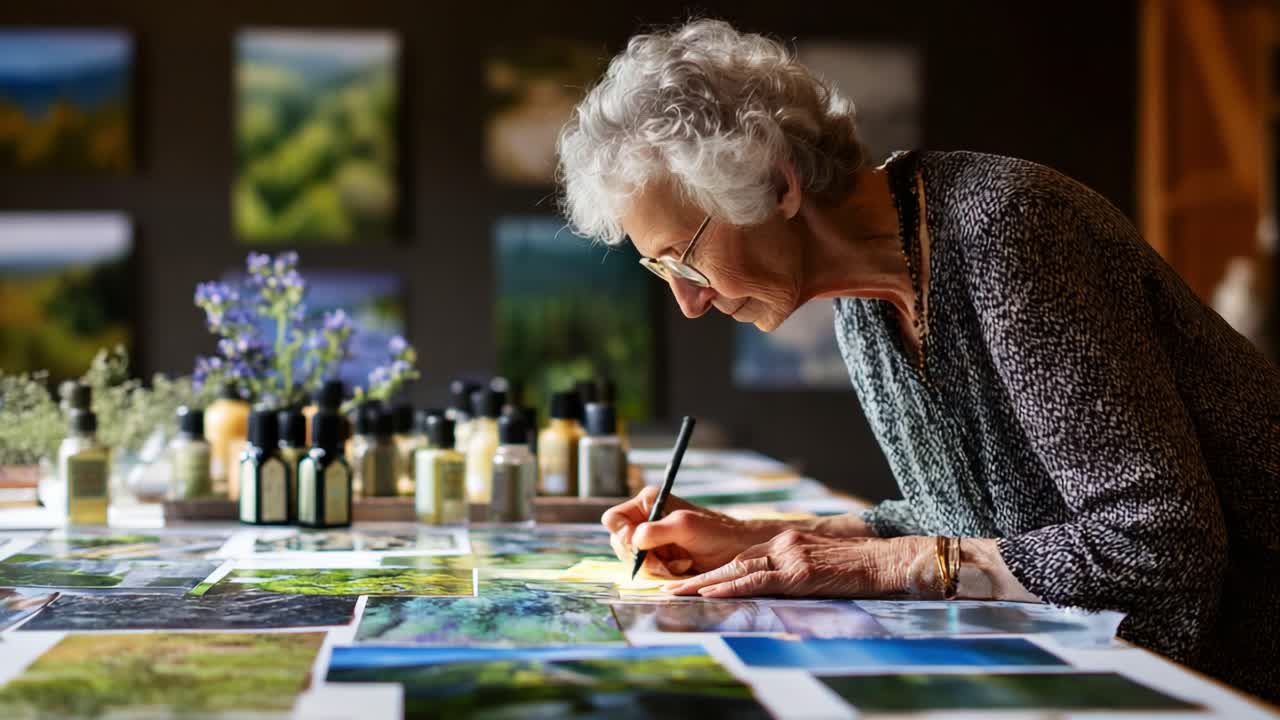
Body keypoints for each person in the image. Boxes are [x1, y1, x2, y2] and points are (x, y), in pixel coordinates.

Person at [556, 19, 1280, 701]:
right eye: (660, 270)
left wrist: (880, 563)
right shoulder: (862, 306)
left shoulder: (1010, 231)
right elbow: (957, 519)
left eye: (686, 257)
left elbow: (1161, 544)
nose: (689, 302)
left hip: (1239, 672)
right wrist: (764, 540)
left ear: (780, 186)